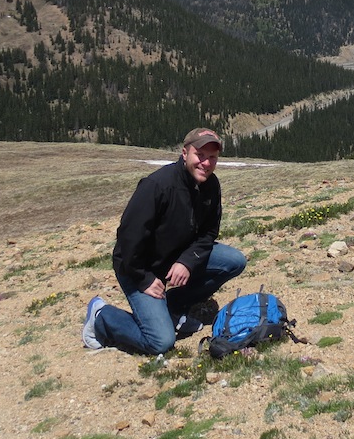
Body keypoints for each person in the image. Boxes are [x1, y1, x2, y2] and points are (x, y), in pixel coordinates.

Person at [82, 127, 246, 355]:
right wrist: (144, 279)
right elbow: (128, 242)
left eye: (212, 158)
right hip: (137, 267)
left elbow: (208, 233)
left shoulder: (211, 186)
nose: (206, 163)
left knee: (234, 261)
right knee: (160, 342)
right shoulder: (157, 186)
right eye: (200, 155)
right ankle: (102, 317)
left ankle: (173, 307)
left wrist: (187, 261)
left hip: (174, 258)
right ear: (184, 153)